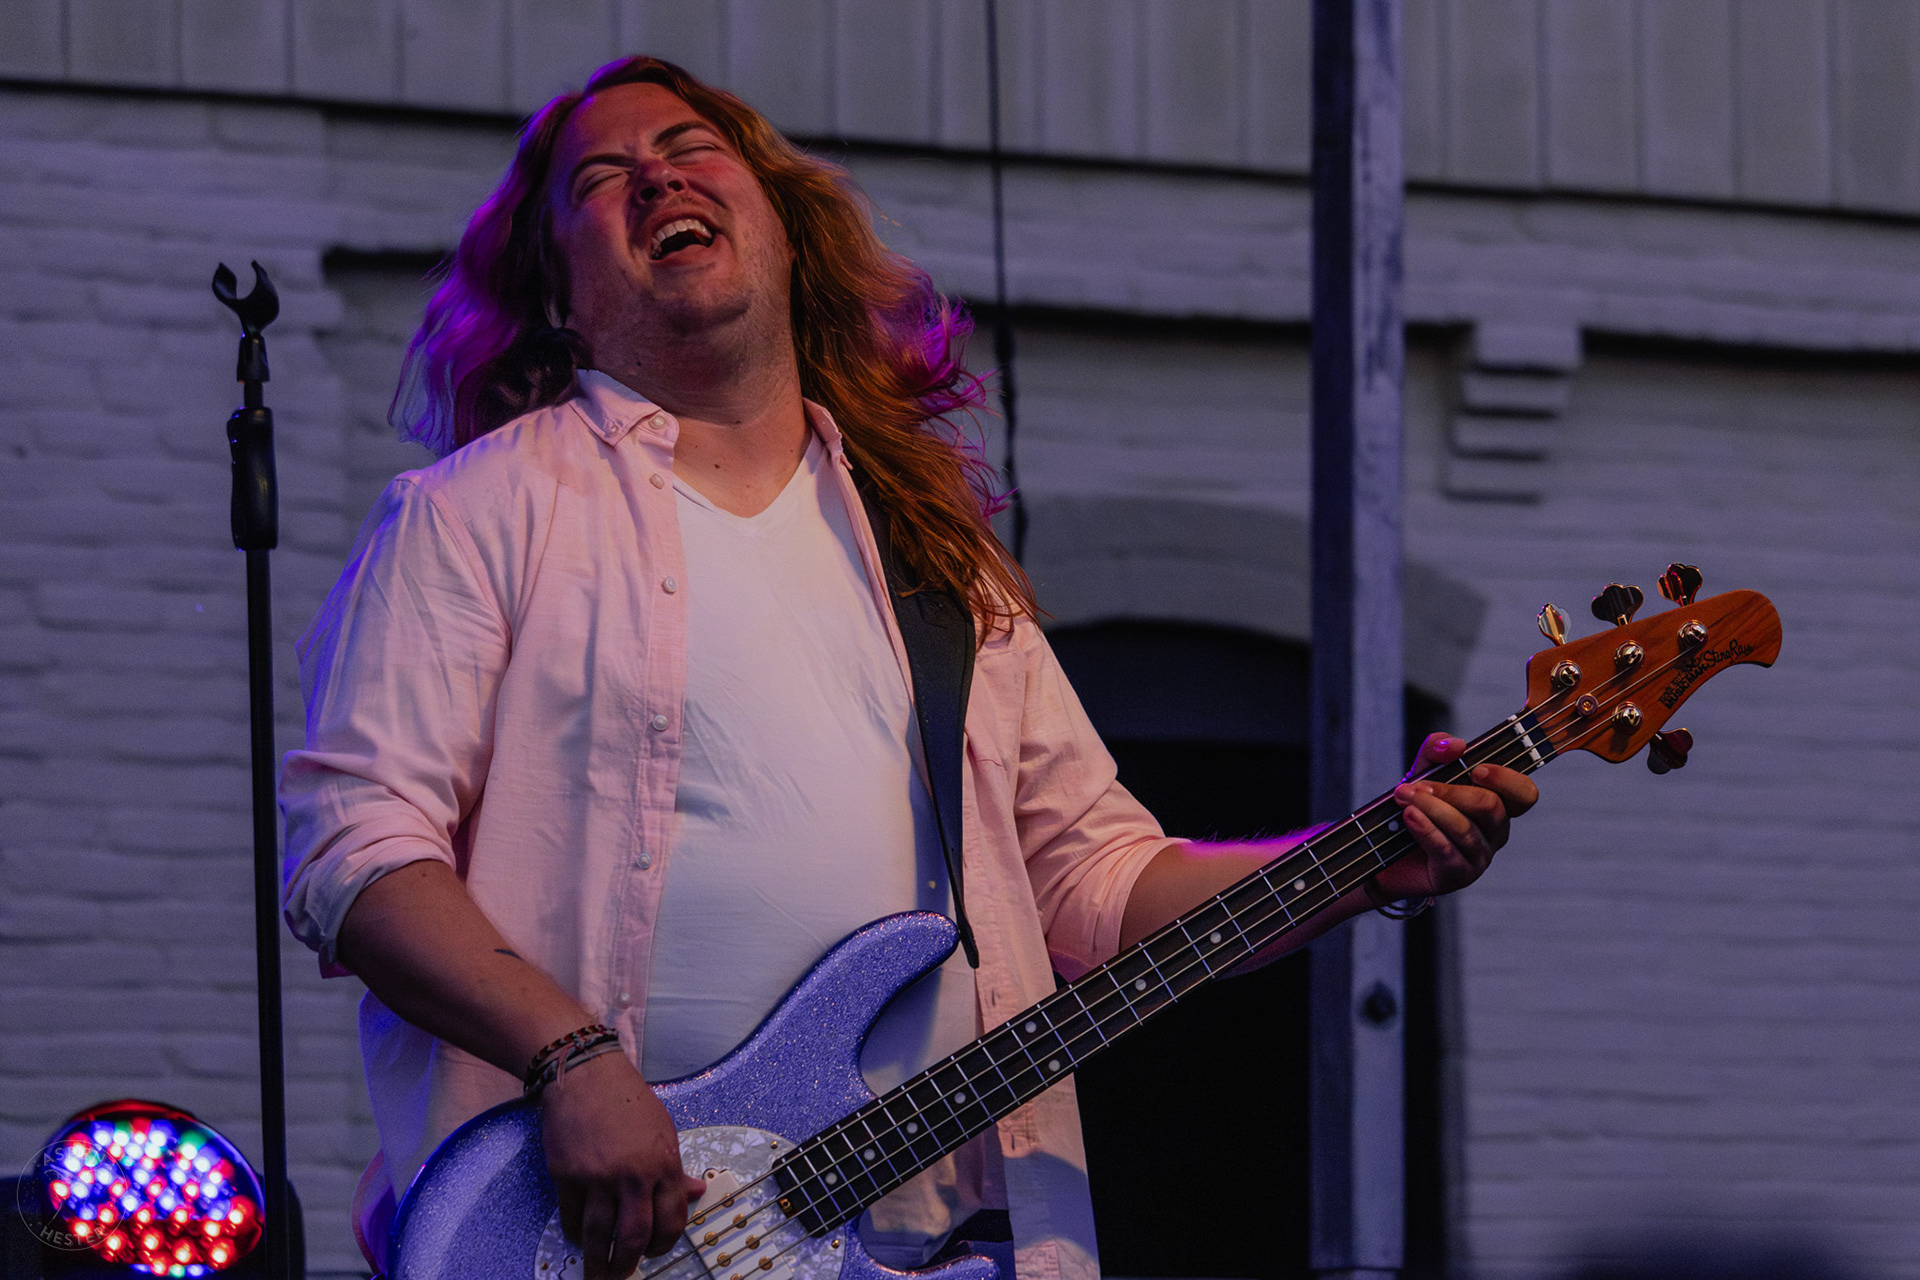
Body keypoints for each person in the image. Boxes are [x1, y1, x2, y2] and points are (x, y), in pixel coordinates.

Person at [280, 55, 1537, 1280]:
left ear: (782, 226)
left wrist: (1361, 864)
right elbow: (358, 848)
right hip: (586, 1236)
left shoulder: (941, 564)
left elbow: (1099, 881)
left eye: (689, 151)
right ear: (556, 292)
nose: (657, 182)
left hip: (933, 1233)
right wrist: (570, 1057)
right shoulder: (475, 510)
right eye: (602, 179)